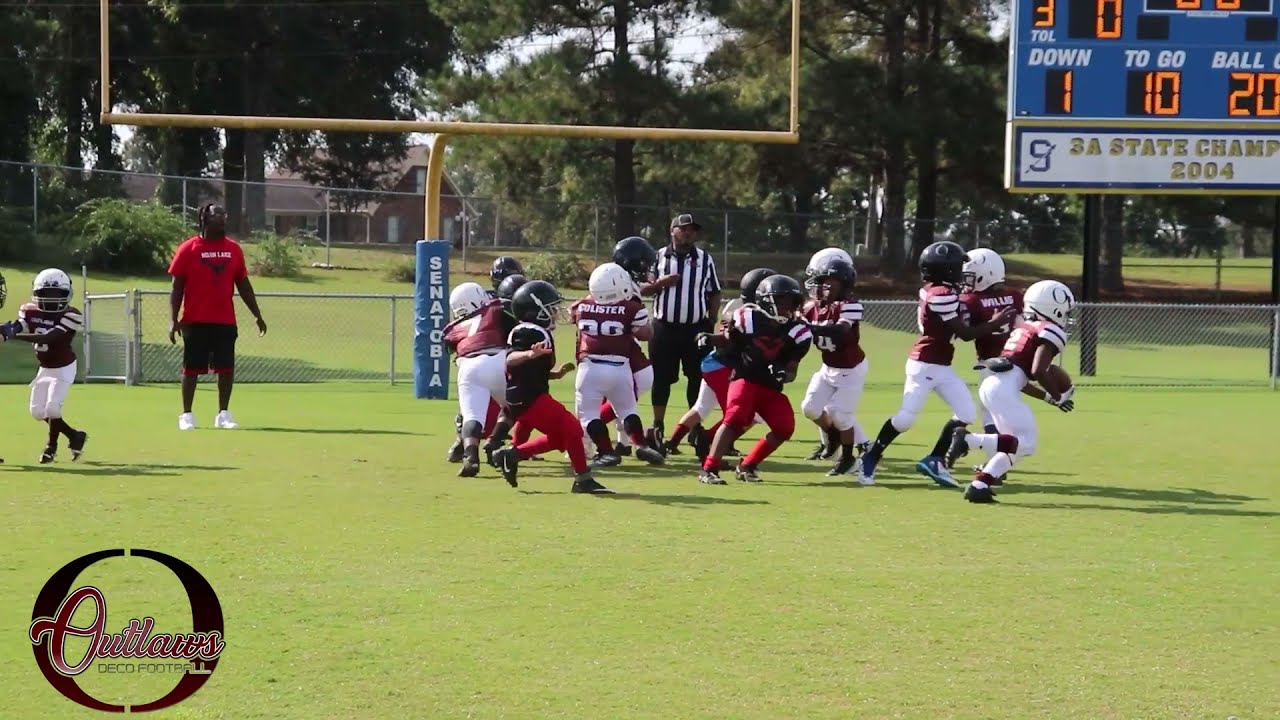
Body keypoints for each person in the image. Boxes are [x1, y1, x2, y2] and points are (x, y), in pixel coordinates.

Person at [857, 241, 1018, 487]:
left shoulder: (936, 290)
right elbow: (964, 333)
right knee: (905, 419)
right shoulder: (941, 294)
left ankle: (935, 459)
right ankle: (870, 456)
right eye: (957, 268)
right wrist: (995, 323)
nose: (961, 274)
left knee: (965, 413)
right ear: (946, 270)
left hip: (941, 365)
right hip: (924, 364)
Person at [946, 280, 1076, 503]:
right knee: (1027, 442)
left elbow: (1022, 380)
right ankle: (967, 440)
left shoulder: (1024, 328)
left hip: (993, 385)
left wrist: (1048, 398)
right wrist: (1059, 396)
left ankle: (980, 486)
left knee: (1013, 444)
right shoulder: (1049, 329)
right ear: (1053, 306)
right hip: (1002, 388)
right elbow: (1039, 370)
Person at [491, 280, 612, 494]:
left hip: (527, 395)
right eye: (550, 307)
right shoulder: (529, 331)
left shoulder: (534, 331)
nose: (555, 312)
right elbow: (510, 359)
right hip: (529, 397)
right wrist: (529, 354)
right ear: (536, 310)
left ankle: (512, 455)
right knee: (573, 429)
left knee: (563, 436)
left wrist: (555, 374)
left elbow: (529, 370)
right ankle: (583, 479)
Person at [696, 274, 811, 485]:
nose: (790, 307)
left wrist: (784, 374)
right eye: (784, 301)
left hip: (770, 387)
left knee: (784, 426)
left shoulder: (798, 331)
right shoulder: (747, 318)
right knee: (736, 417)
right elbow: (727, 340)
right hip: (745, 379)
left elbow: (792, 369)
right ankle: (709, 468)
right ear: (768, 301)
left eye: (793, 302)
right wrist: (709, 338)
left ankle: (747, 464)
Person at [167, 203, 267, 430]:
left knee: (225, 368)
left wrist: (257, 315)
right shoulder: (188, 248)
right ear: (204, 218)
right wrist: (173, 320)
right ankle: (186, 415)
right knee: (191, 369)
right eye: (217, 215)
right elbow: (176, 287)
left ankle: (223, 414)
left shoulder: (233, 249)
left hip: (224, 320)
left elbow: (244, 285)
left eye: (224, 214)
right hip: (195, 319)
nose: (222, 219)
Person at [664, 267, 776, 461]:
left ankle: (671, 443)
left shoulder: (735, 305)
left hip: (713, 363)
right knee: (746, 415)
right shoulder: (751, 313)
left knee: (701, 408)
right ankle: (709, 442)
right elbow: (737, 341)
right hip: (725, 366)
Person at [570, 263, 664, 467]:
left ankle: (606, 452)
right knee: (628, 410)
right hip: (620, 366)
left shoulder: (580, 307)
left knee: (589, 415)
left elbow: (575, 316)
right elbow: (645, 334)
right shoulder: (631, 308)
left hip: (590, 367)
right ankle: (641, 445)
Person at [641, 214, 721, 446]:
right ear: (672, 230)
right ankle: (658, 425)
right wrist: (660, 283)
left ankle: (694, 426)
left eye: (692, 230)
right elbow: (643, 289)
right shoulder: (657, 257)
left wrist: (711, 321)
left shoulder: (705, 259)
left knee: (697, 377)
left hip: (695, 329)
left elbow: (714, 291)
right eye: (683, 229)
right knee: (661, 379)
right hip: (664, 328)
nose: (688, 233)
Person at [0, 269, 89, 463]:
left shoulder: (72, 315)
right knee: (37, 412)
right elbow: (19, 325)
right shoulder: (30, 311)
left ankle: (51, 447)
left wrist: (12, 335)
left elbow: (48, 337)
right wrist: (7, 329)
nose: (50, 299)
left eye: (56, 294)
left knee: (52, 408)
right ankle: (75, 436)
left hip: (64, 367)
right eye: (46, 294)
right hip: (45, 368)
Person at [800, 252, 869, 477]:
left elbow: (841, 330)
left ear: (843, 285)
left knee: (841, 416)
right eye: (821, 283)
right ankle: (832, 437)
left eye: (828, 284)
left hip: (851, 369)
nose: (822, 288)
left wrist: (811, 328)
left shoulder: (850, 305)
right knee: (809, 407)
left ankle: (848, 458)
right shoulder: (811, 307)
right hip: (828, 367)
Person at [955, 248, 1023, 472]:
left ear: (988, 273)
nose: (968, 282)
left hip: (989, 364)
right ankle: (995, 463)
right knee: (1004, 415)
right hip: (1016, 363)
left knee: (990, 414)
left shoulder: (972, 300)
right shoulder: (1015, 296)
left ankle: (994, 463)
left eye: (972, 276)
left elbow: (962, 332)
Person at [443, 282, 511, 477]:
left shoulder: (451, 329)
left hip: (467, 367)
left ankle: (471, 457)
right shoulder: (497, 309)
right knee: (513, 407)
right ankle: (494, 442)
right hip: (497, 360)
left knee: (472, 417)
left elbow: (452, 350)